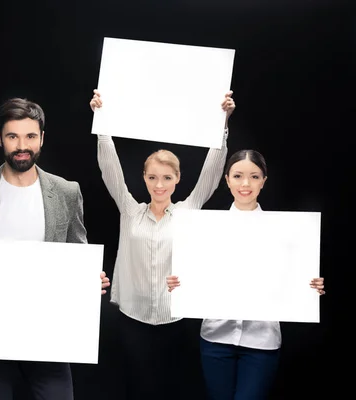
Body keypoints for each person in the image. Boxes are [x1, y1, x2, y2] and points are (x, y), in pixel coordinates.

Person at [0, 97, 110, 400]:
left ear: (41, 138)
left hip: (49, 332)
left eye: (30, 136)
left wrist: (91, 279)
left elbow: (78, 253)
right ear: (0, 139)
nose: (22, 145)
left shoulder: (67, 192)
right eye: (13, 136)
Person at [89, 89, 235, 399]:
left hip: (175, 323)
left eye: (167, 178)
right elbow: (110, 169)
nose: (159, 185)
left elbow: (211, 173)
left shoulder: (187, 210)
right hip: (133, 320)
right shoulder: (130, 212)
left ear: (178, 179)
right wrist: (101, 120)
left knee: (172, 389)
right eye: (153, 177)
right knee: (139, 388)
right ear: (143, 178)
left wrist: (222, 121)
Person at [166, 149, 325, 400]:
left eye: (254, 176)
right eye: (238, 176)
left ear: (263, 180)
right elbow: (197, 276)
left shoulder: (284, 231)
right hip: (215, 339)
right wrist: (179, 284)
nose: (245, 183)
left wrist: (309, 286)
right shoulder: (205, 229)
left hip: (262, 342)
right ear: (227, 179)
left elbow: (291, 278)